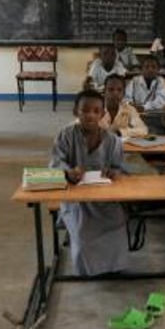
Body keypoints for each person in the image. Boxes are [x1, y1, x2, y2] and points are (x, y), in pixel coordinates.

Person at [49, 90, 128, 276]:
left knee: (117, 223)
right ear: (76, 112)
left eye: (96, 110)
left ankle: (113, 268)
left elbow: (118, 167)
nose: (90, 115)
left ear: (102, 114)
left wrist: (113, 172)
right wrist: (68, 172)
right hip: (76, 199)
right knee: (84, 233)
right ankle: (88, 271)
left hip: (104, 198)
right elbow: (55, 164)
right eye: (85, 110)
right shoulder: (65, 135)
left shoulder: (113, 141)